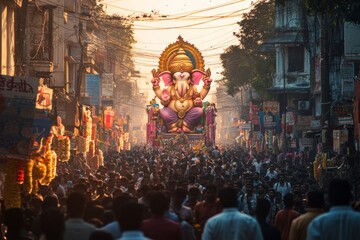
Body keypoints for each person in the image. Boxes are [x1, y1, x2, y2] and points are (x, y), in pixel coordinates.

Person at [150, 37, 212, 133]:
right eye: (177, 78)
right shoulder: (170, 88)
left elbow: (201, 96)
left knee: (198, 111)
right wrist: (156, 86)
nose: (181, 80)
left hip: (188, 115)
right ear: (172, 79)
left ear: (191, 79)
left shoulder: (192, 88)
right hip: (172, 116)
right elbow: (161, 96)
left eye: (186, 78)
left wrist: (206, 86)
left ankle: (187, 125)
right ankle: (173, 126)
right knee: (163, 111)